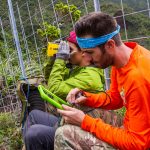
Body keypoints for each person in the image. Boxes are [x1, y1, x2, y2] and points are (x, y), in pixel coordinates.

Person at [54, 12, 150, 150]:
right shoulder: (124, 59)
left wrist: (85, 122)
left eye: (90, 52)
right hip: (134, 129)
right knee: (81, 107)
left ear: (110, 45)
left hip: (139, 142)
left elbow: (138, 144)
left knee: (64, 135)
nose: (86, 59)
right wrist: (86, 97)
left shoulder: (137, 78)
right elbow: (116, 98)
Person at [23, 31, 105, 150]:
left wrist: (61, 59)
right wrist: (53, 60)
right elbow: (49, 79)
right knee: (33, 115)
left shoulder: (90, 76)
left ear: (83, 52)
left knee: (34, 133)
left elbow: (54, 89)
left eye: (69, 50)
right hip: (71, 122)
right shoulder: (78, 70)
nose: (67, 54)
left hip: (82, 131)